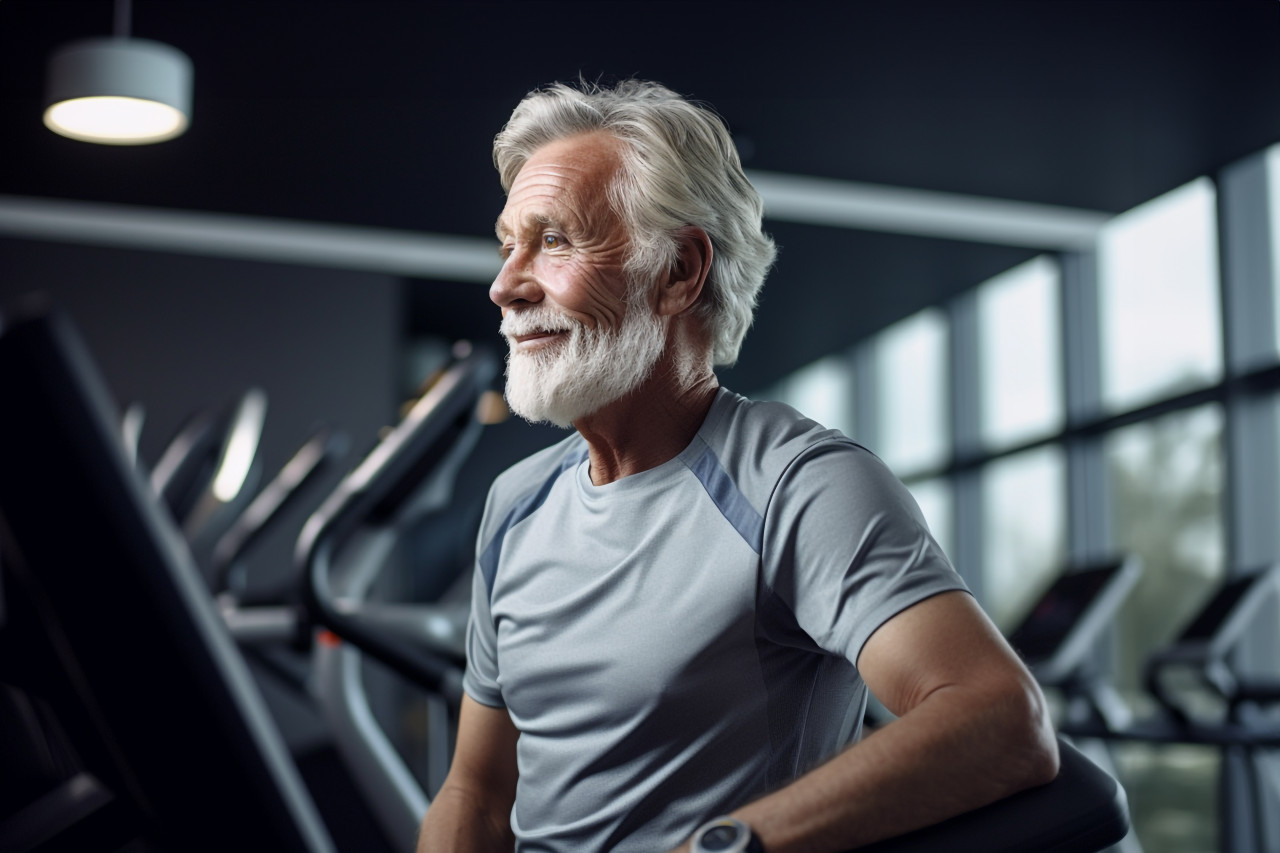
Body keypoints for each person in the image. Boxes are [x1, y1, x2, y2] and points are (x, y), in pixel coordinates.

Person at [417, 79, 1058, 853]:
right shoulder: (515, 502)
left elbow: (999, 717)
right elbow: (478, 791)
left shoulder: (800, 484)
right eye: (508, 244)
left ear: (680, 271)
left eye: (554, 241)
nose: (505, 284)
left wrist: (721, 846)